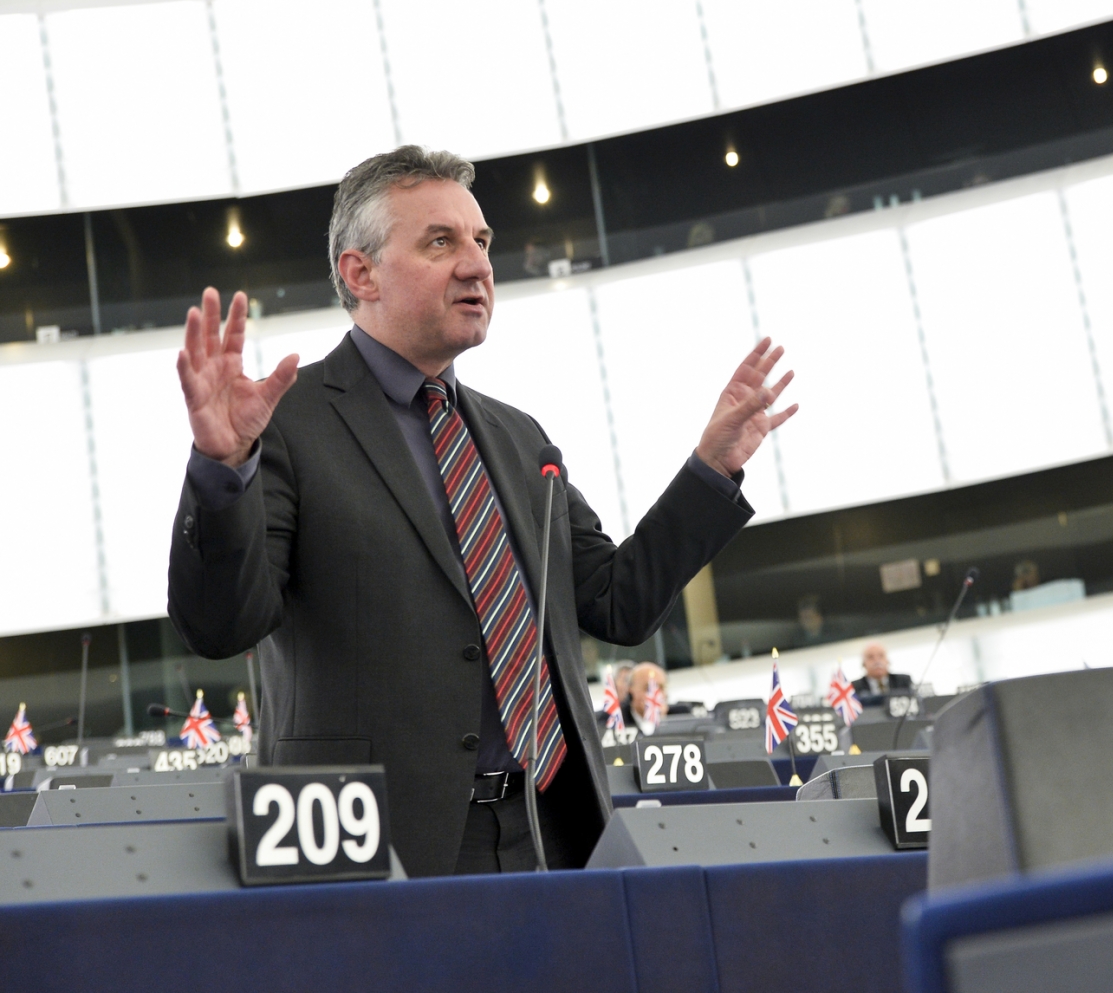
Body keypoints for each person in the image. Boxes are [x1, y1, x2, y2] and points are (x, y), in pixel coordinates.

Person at [167, 147, 798, 876]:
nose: (477, 265)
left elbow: (617, 603)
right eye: (441, 242)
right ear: (360, 273)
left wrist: (711, 470)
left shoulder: (518, 437)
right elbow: (221, 626)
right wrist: (221, 470)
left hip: (550, 830)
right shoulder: (282, 424)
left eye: (482, 241)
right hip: (376, 845)